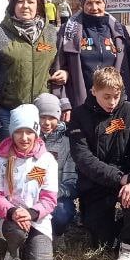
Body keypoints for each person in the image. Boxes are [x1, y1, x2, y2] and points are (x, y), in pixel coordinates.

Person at [68, 65, 130, 260]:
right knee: (103, 243)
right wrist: (119, 177)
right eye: (106, 96)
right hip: (97, 182)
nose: (112, 102)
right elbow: (83, 158)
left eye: (116, 96)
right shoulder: (79, 115)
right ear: (94, 91)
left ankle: (129, 246)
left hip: (129, 179)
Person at [0, 0, 67, 137]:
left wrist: (64, 72)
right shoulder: (0, 32)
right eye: (20, 1)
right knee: (12, 159)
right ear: (13, 5)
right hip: (9, 112)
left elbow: (59, 63)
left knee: (40, 159)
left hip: (42, 112)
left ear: (38, 5)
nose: (25, 6)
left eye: (30, 2)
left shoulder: (50, 33)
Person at [0, 104, 60, 260]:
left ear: (36, 133)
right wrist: (14, 212)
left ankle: (31, 242)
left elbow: (49, 199)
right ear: (12, 133)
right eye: (19, 132)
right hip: (9, 217)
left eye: (29, 132)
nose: (24, 138)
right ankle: (13, 251)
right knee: (16, 232)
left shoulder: (46, 160)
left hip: (36, 218)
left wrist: (31, 213)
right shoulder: (0, 160)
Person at [58, 0, 130, 111]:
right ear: (82, 5)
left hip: (113, 101)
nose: (94, 7)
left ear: (105, 3)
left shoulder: (118, 30)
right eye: (89, 3)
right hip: (83, 102)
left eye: (98, 2)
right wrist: (64, 103)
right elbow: (59, 67)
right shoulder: (68, 31)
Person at [35, 92, 77, 240]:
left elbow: (71, 182)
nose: (46, 122)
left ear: (58, 117)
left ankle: (56, 234)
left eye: (51, 118)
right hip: (28, 194)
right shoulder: (27, 139)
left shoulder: (66, 143)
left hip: (56, 196)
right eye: (42, 117)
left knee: (62, 213)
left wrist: (52, 192)